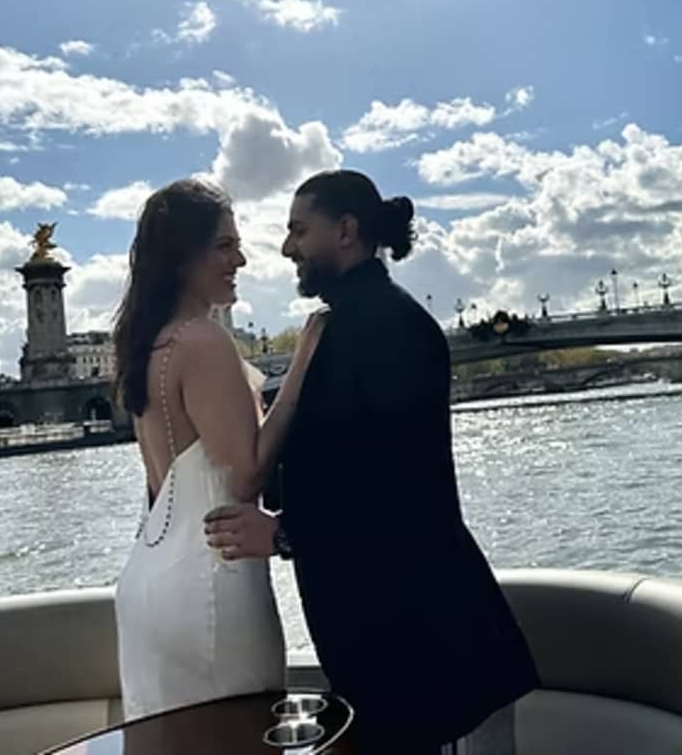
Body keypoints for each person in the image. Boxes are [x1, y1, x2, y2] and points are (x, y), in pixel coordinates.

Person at [204, 169, 539, 753]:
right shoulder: (348, 326)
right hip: (387, 639)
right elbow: (339, 462)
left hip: (419, 643)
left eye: (298, 231)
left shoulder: (391, 328)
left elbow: (402, 490)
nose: (287, 249)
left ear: (346, 231)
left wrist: (283, 535)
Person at [112, 178, 326, 720]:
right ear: (186, 255)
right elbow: (247, 474)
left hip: (152, 579)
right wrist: (302, 363)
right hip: (212, 583)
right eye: (225, 245)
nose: (241, 258)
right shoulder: (202, 341)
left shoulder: (147, 343)